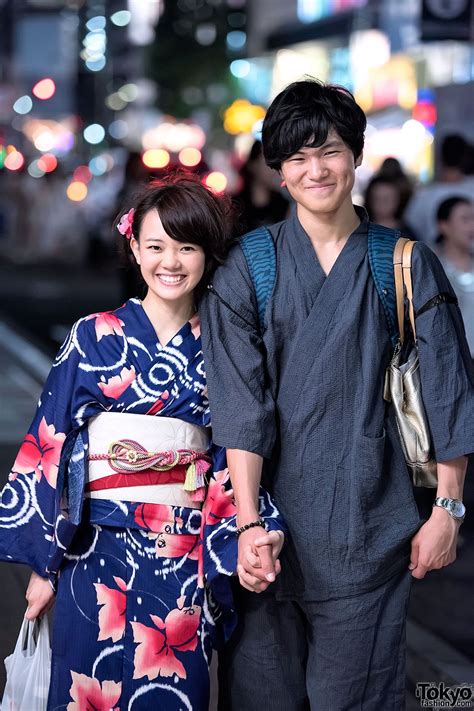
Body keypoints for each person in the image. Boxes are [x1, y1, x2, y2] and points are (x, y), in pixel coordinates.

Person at [200, 80, 473, 710]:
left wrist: (448, 509)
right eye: (296, 157)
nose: (315, 170)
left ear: (355, 154)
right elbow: (240, 408)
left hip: (369, 533)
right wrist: (246, 526)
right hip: (266, 541)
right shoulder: (250, 265)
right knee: (262, 699)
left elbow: (447, 390)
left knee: (355, 701)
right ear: (278, 171)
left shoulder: (403, 264)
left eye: (328, 151)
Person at [0, 175, 284, 710]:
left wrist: (252, 528)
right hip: (93, 550)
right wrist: (44, 567)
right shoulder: (92, 335)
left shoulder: (226, 346)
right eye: (155, 246)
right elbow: (49, 445)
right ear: (134, 248)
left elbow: (234, 451)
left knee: (174, 687)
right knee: (88, 689)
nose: (169, 262)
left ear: (207, 254)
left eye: (186, 247)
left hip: (183, 552)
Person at [404, 133, 474, 244]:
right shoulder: (471, 189)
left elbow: (412, 224)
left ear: (440, 158)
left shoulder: (425, 195)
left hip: (433, 256)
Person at [435, 196, 474, 356]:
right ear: (444, 226)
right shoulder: (431, 266)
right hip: (450, 359)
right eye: (465, 219)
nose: (472, 226)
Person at [233, 140, 290, 231]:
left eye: (276, 164)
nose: (274, 170)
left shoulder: (283, 203)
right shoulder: (235, 206)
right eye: (268, 163)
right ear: (253, 165)